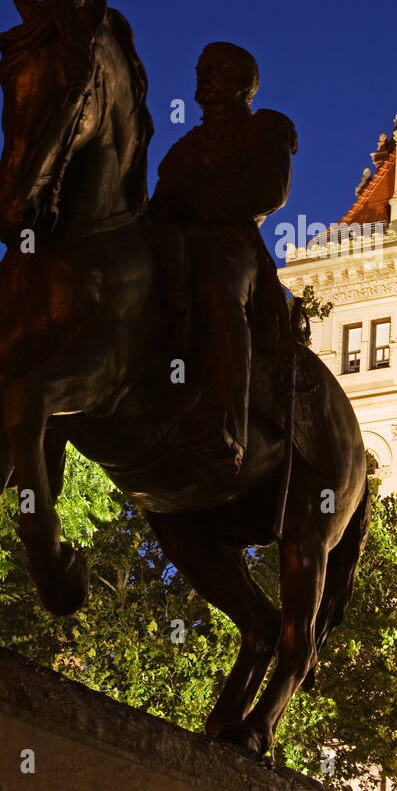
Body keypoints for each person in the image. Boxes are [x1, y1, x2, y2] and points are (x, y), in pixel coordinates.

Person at [149, 41, 298, 472]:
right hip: (178, 242)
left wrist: (198, 205)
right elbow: (159, 204)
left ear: (242, 83)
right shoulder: (182, 148)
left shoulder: (264, 128)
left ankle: (228, 424)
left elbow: (269, 191)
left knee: (219, 294)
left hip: (232, 243)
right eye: (201, 68)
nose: (204, 75)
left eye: (215, 69)